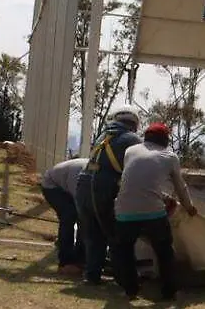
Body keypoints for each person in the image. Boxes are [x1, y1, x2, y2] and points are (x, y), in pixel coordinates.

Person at [113, 123, 197, 300]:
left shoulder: (131, 151)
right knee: (164, 251)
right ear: (166, 140)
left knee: (126, 250)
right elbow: (180, 187)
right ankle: (169, 291)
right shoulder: (170, 156)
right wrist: (189, 207)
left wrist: (163, 195)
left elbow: (138, 181)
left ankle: (130, 290)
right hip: (153, 212)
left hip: (124, 210)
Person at [75, 108, 142, 285]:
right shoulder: (131, 139)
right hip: (102, 186)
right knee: (115, 233)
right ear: (134, 124)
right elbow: (138, 167)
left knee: (92, 234)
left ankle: (92, 275)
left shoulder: (103, 135)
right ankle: (123, 278)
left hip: (83, 184)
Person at [40, 157, 89, 273]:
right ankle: (66, 262)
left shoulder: (100, 174)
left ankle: (80, 258)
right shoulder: (81, 177)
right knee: (69, 216)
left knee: (85, 220)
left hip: (68, 184)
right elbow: (80, 205)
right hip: (52, 185)